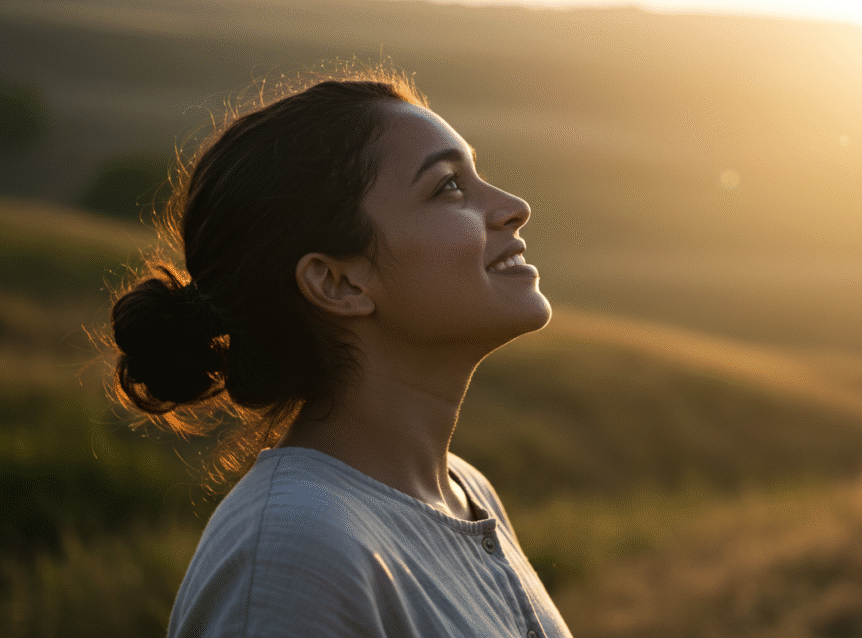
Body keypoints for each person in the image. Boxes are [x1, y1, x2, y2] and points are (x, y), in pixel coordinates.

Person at [109, 70, 570, 637]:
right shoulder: (293, 556)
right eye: (448, 186)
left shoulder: (465, 492)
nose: (513, 206)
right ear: (338, 283)